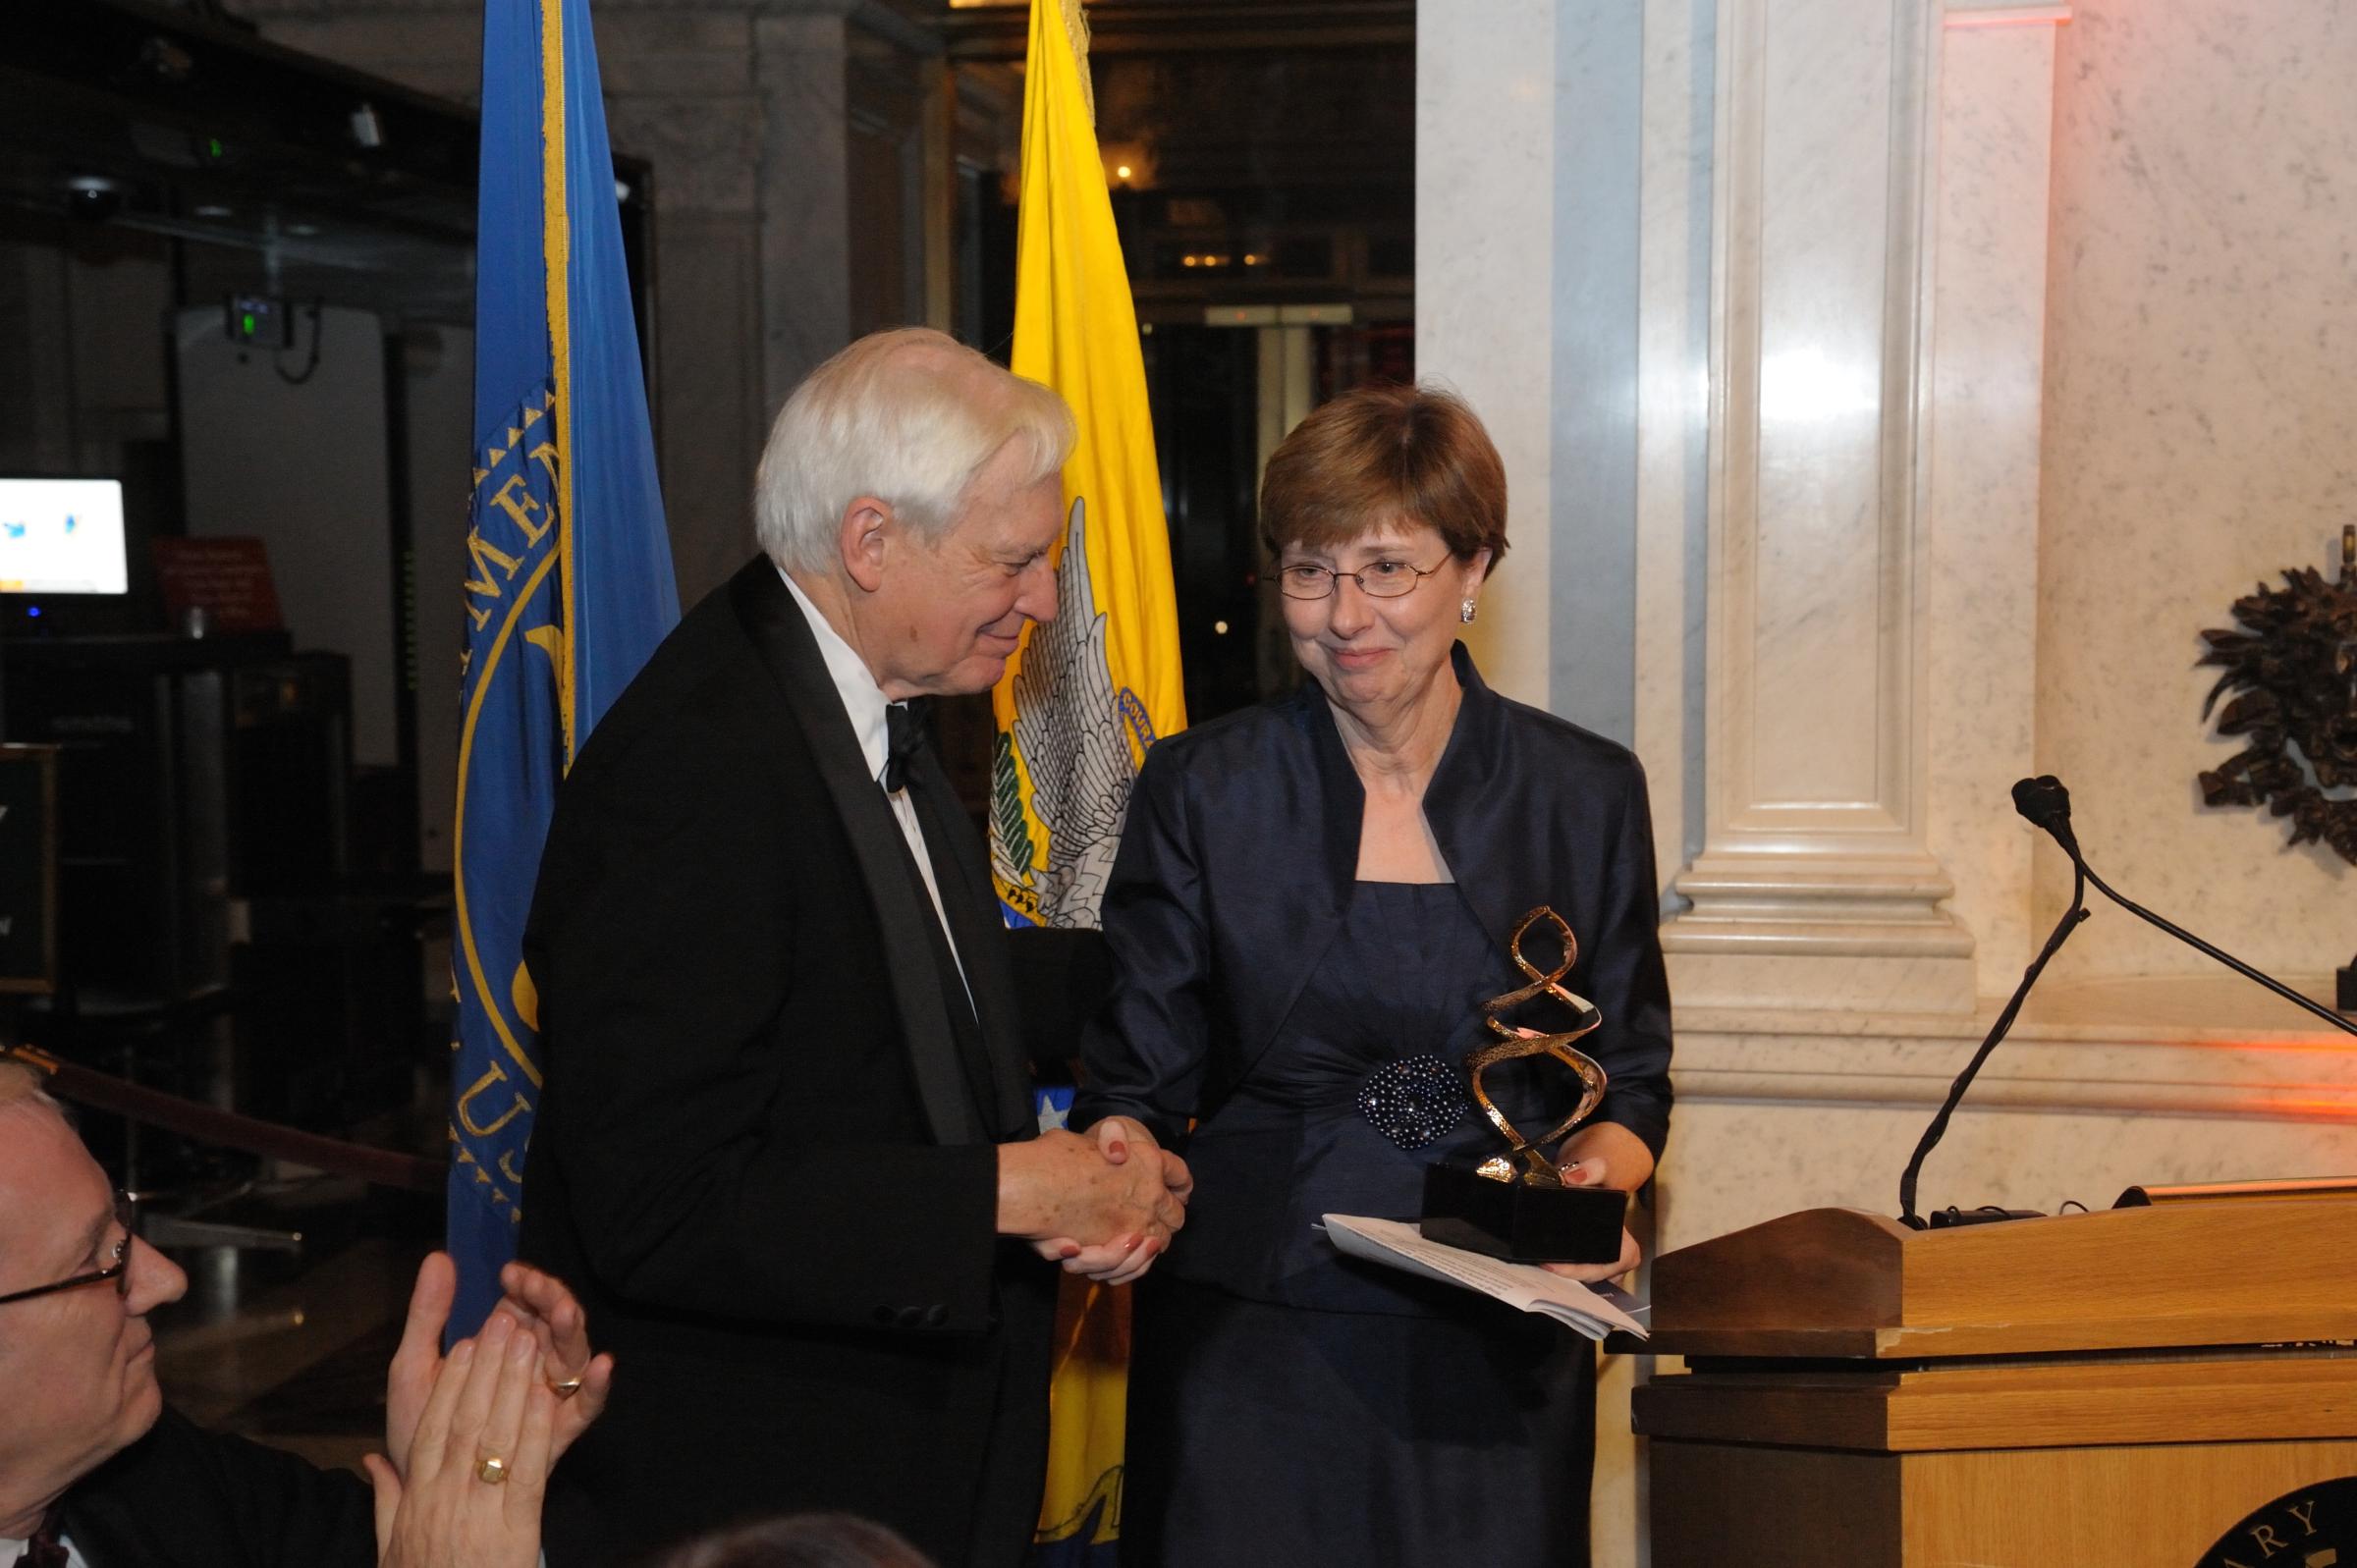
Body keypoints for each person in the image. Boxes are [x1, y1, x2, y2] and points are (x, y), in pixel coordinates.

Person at [517, 327, 1193, 1568]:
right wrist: (1010, 1188)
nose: (1045, 599)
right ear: (872, 541)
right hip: (769, 1491)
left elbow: (923, 997)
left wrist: (1198, 989)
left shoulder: (858, 700)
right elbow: (662, 1202)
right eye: (1014, 561)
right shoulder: (696, 764)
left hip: (904, 1458)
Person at [1072, 382, 1674, 1567]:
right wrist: (1114, 1169)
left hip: (1498, 1331)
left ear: (1473, 570)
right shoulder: (1203, 787)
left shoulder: (1587, 791)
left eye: (1387, 568)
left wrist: (1594, 1199)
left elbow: (1633, 1072)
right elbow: (1133, 1079)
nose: (1345, 614)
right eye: (1309, 570)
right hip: (1249, 1336)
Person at [0, 1054, 611, 1568]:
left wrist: (452, 1471)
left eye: (122, 1225)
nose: (167, 1279)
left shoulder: (155, 1478)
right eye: (95, 1261)